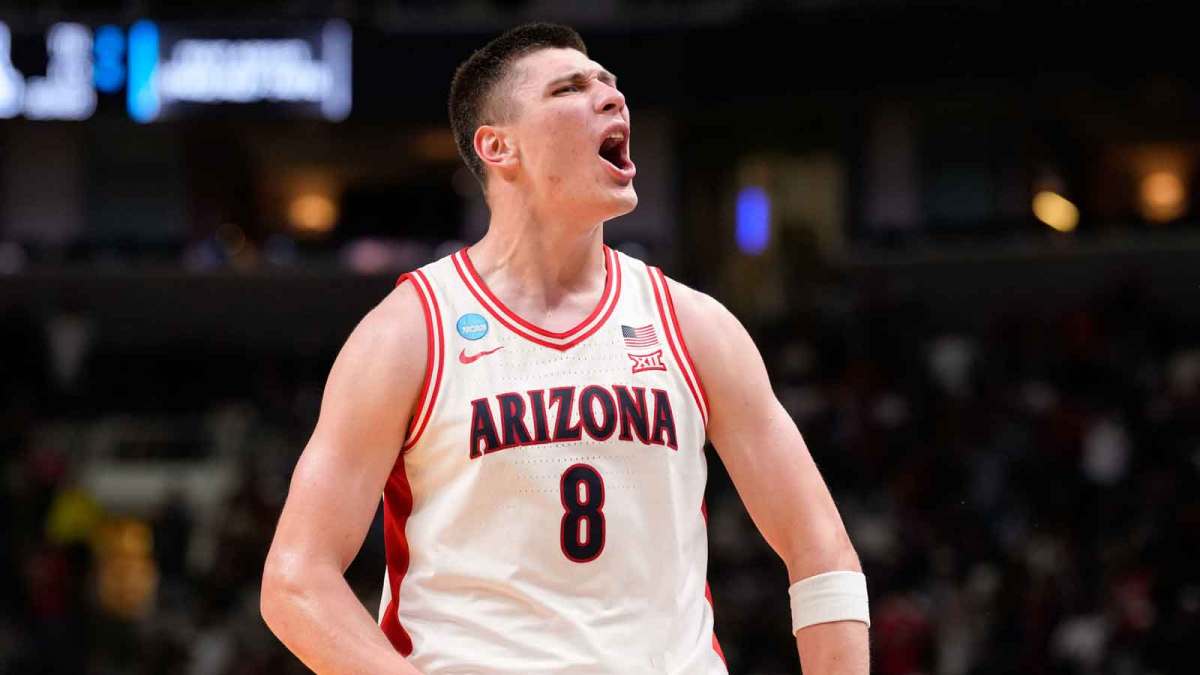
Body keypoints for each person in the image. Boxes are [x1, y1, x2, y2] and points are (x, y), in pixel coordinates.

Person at [260, 22, 869, 674]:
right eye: (570, 88)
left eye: (610, 84)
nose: (612, 98)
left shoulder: (695, 326)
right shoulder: (408, 332)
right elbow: (296, 579)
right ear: (498, 147)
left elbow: (821, 550)